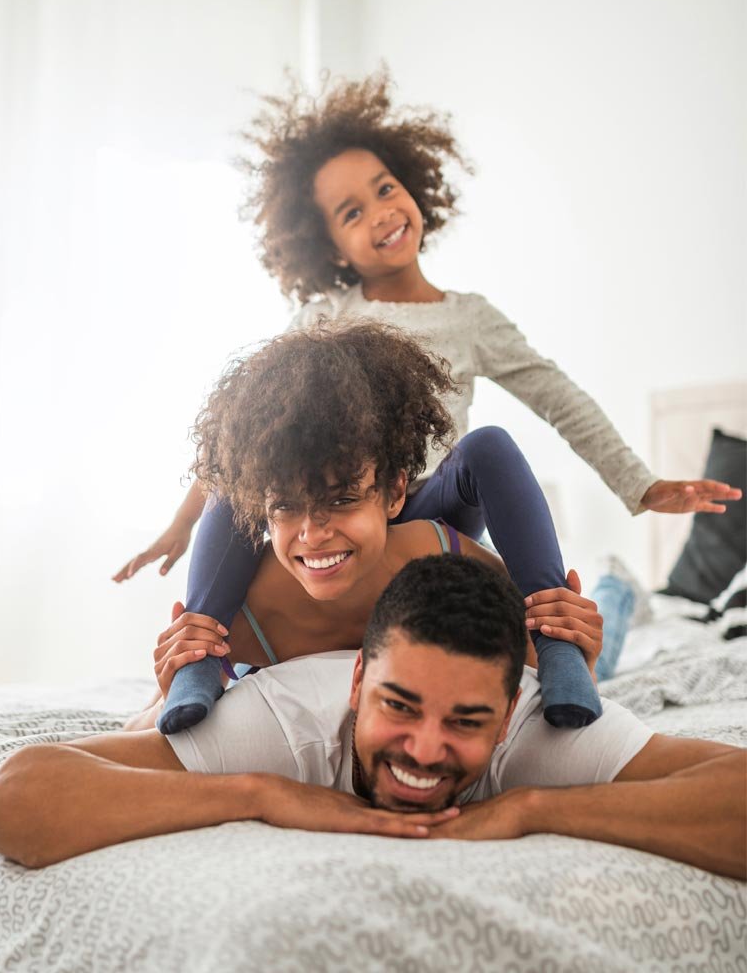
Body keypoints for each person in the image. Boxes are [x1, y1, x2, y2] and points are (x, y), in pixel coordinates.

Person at [111, 70, 741, 734]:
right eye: (352, 212)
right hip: (338, 492)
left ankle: (558, 642)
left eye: (385, 189)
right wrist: (183, 524)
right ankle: (200, 659)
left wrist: (640, 484)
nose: (381, 211)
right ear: (326, 245)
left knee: (490, 445)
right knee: (243, 480)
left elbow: (556, 395)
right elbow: (249, 432)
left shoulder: (469, 319)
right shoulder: (322, 318)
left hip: (431, 498)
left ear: (416, 188)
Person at [0, 554, 745, 879]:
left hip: (544, 659)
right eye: (398, 707)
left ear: (509, 718)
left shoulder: (544, 729)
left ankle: (617, 589)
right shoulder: (283, 719)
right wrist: (262, 795)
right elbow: (1, 803)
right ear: (358, 681)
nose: (426, 750)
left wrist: (531, 810)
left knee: (596, 663)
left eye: (468, 722)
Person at [129, 321, 603, 735]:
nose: (312, 534)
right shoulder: (240, 615)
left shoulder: (453, 566)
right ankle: (201, 665)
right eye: (286, 507)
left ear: (396, 492)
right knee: (234, 487)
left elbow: (565, 710)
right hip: (337, 565)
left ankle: (608, 596)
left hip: (424, 546)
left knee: (488, 448)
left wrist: (571, 646)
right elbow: (143, 727)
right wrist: (177, 676)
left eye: (341, 499)